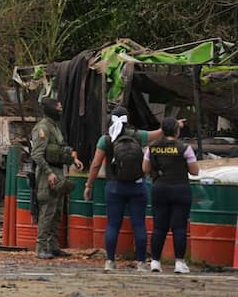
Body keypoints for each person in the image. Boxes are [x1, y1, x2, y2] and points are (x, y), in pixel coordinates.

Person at [83, 105, 184, 272]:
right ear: (127, 120)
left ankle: (109, 261)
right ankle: (141, 263)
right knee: (139, 224)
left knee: (113, 224)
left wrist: (89, 185)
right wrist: (175, 124)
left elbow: (95, 165)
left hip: (114, 187)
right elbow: (159, 132)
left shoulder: (106, 139)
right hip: (137, 186)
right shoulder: (138, 136)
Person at [142, 116, 199, 274]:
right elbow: (195, 171)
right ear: (176, 131)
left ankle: (155, 261)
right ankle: (179, 263)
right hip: (180, 189)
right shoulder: (184, 148)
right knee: (179, 227)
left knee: (159, 227)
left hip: (159, 189)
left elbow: (145, 169)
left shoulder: (151, 148)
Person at [30, 97, 84, 259]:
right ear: (51, 108)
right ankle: (40, 247)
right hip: (47, 177)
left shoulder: (55, 127)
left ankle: (53, 246)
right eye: (58, 107)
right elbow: (37, 155)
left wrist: (73, 160)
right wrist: (49, 173)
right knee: (47, 212)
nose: (61, 109)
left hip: (59, 173)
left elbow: (60, 150)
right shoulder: (43, 128)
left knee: (57, 212)